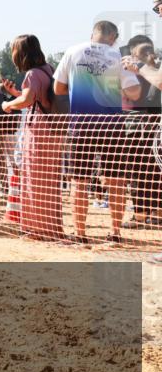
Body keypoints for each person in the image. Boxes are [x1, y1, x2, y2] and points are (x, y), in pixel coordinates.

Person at [54, 21, 140, 244]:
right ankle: (115, 232)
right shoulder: (120, 57)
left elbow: (58, 88)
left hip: (81, 125)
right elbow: (135, 93)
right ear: (114, 37)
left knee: (79, 182)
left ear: (93, 34)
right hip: (112, 127)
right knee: (116, 181)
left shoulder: (73, 51)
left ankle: (80, 234)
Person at [0, 35, 68, 241]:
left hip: (38, 132)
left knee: (33, 179)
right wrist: (17, 93)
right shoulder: (48, 69)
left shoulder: (31, 74)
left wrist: (8, 103)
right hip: (54, 131)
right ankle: (50, 227)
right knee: (49, 181)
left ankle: (36, 230)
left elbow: (28, 100)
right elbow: (38, 98)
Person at [118, 37, 161, 230]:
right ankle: (156, 214)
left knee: (136, 171)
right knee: (154, 173)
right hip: (151, 126)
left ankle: (142, 215)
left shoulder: (138, 72)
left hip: (137, 126)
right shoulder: (154, 70)